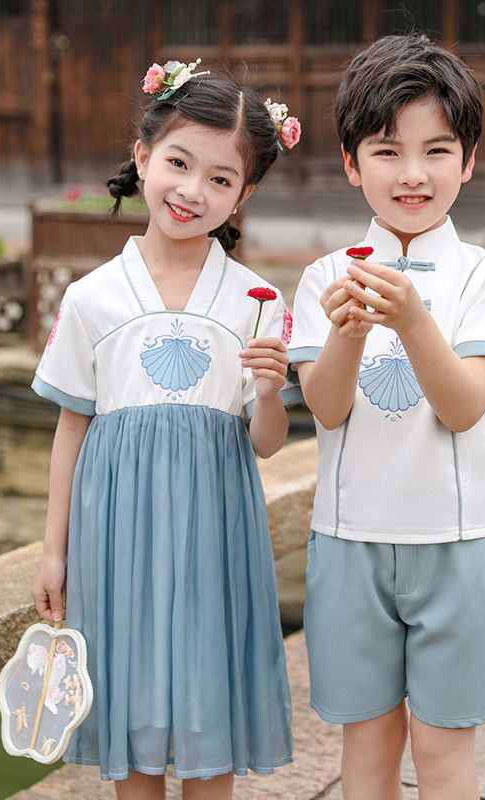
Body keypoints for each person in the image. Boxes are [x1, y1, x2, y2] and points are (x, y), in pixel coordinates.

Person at [30, 60, 301, 800]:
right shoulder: (93, 298)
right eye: (179, 163)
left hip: (217, 528)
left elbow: (267, 440)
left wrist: (273, 391)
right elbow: (71, 429)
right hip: (114, 530)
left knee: (209, 713)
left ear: (244, 193)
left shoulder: (256, 298)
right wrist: (54, 552)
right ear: (144, 156)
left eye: (220, 178)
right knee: (134, 707)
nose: (192, 190)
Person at [289, 35, 485, 800]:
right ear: (350, 161)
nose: (414, 174)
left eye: (437, 150)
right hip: (349, 540)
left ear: (467, 161)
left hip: (458, 546)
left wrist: (414, 321)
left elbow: (464, 409)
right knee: (364, 752)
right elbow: (326, 407)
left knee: (441, 751)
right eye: (388, 151)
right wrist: (349, 330)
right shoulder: (325, 278)